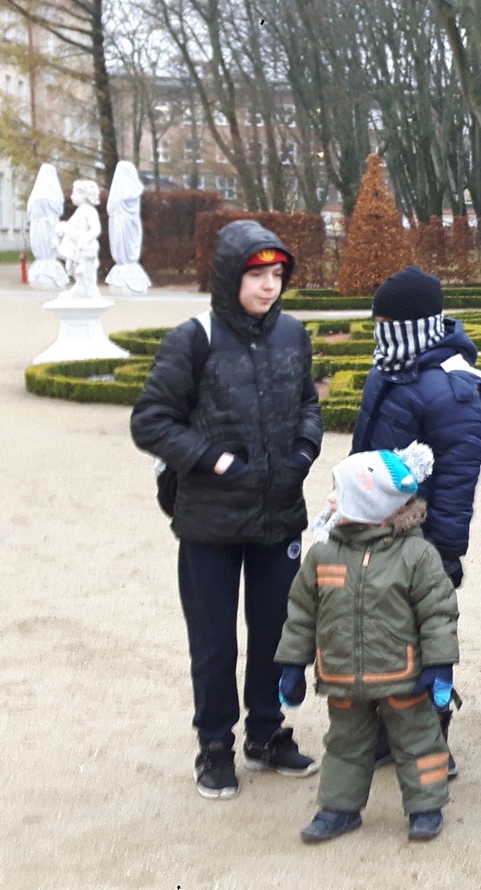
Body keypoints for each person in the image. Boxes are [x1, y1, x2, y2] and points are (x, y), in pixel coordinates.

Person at [131, 221, 323, 799]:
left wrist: (304, 451)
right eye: (257, 275)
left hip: (278, 513)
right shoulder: (193, 338)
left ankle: (266, 733)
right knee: (215, 642)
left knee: (275, 634)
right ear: (228, 276)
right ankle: (214, 745)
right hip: (210, 522)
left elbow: (309, 403)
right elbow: (150, 421)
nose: (269, 287)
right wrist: (214, 461)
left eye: (277, 275)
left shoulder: (293, 334)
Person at [274, 443, 456, 844]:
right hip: (341, 675)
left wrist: (440, 666)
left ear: (368, 502)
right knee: (344, 744)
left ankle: (426, 806)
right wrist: (293, 665)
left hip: (401, 674)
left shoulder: (416, 555)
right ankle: (339, 809)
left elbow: (438, 613)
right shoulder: (322, 554)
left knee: (418, 740)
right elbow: (301, 613)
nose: (330, 499)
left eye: (339, 492)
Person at [351, 264, 481, 772]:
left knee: (428, 637)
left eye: (387, 320)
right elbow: (362, 451)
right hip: (372, 527)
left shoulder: (449, 386)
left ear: (413, 323)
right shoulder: (386, 367)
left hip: (422, 535)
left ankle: (434, 738)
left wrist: (447, 550)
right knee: (381, 632)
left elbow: (457, 478)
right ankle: (390, 731)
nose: (379, 329)